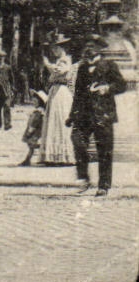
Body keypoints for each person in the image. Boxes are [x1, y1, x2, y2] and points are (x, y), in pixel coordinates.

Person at [67, 34, 127, 196]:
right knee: (78, 141)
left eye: (92, 46)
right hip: (83, 115)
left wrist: (107, 88)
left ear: (100, 48)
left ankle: (104, 185)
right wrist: (72, 115)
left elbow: (122, 85)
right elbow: (78, 94)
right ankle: (83, 178)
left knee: (105, 150)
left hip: (103, 114)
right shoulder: (82, 68)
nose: (88, 49)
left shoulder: (109, 65)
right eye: (87, 46)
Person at [39, 35, 75, 164]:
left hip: (61, 91)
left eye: (55, 48)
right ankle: (53, 155)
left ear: (61, 48)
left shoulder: (64, 60)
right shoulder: (61, 60)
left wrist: (47, 63)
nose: (53, 51)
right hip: (56, 91)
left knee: (59, 119)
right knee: (53, 119)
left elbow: (59, 71)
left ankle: (61, 155)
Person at [20, 91, 47, 165]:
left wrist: (30, 130)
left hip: (35, 132)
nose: (33, 103)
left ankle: (28, 159)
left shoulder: (38, 112)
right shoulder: (38, 111)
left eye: (35, 101)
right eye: (33, 101)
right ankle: (28, 159)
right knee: (32, 146)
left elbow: (35, 122)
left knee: (32, 145)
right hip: (35, 131)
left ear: (40, 102)